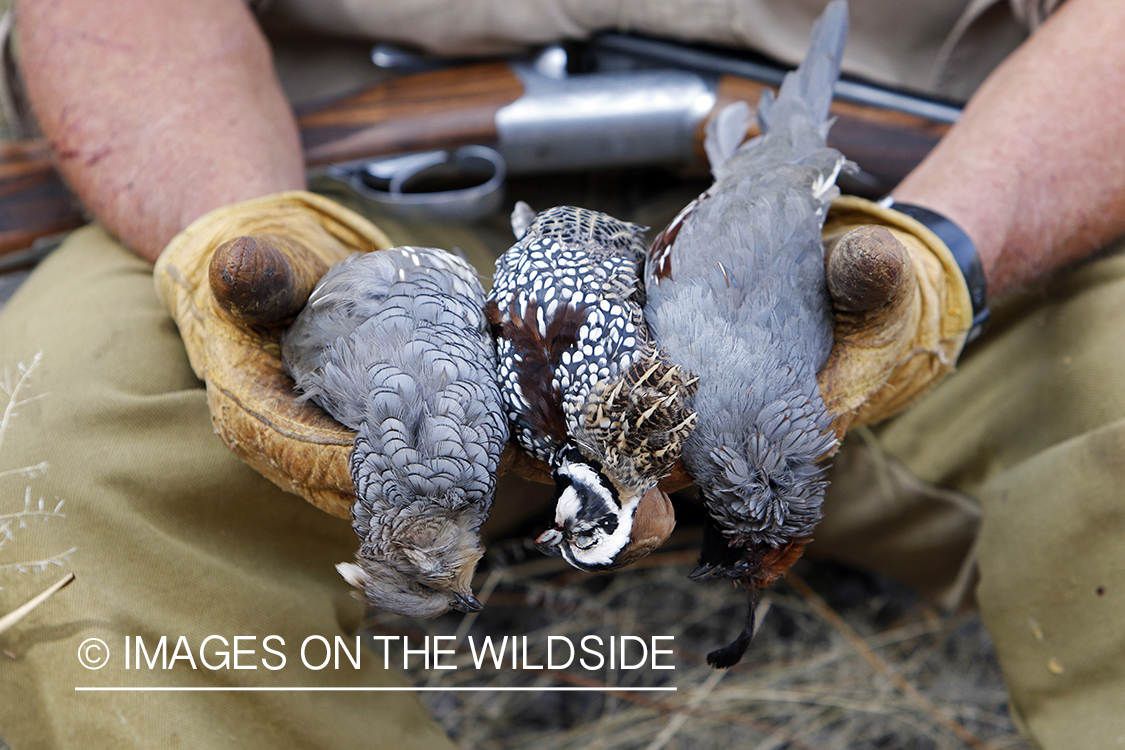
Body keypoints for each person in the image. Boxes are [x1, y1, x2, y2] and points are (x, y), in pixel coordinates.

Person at [0, 0, 1122, 748]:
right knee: (52, 442)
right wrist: (238, 235)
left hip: (935, 186)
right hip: (346, 192)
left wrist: (941, 259)